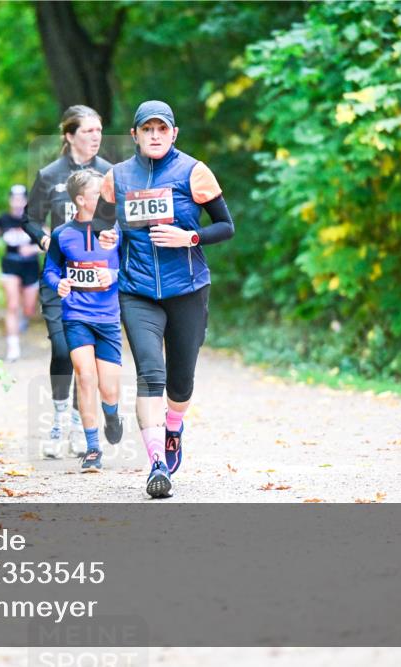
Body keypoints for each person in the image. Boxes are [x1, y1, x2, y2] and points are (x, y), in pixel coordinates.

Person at [97, 100, 235, 498]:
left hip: (187, 289)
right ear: (134, 135)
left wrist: (189, 237)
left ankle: (174, 427)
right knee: (150, 373)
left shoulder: (193, 171)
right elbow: (107, 227)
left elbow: (226, 226)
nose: (154, 135)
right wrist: (109, 237)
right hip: (136, 290)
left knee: (181, 381)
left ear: (173, 134)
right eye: (147, 129)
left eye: (162, 129)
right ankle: (157, 464)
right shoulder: (118, 177)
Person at [24, 105, 113, 458]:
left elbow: (117, 220)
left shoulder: (108, 173)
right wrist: (46, 240)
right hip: (60, 276)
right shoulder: (49, 174)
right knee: (63, 349)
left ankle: (79, 422)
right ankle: (60, 419)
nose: (96, 136)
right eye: (88, 131)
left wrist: (112, 242)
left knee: (85, 355)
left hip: (96, 281)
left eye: (99, 130)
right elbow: (29, 219)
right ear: (69, 135)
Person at [42, 169, 124, 471]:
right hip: (76, 316)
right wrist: (57, 284)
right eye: (97, 192)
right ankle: (92, 449)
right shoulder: (62, 235)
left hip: (108, 318)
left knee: (109, 389)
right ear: (80, 199)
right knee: (85, 377)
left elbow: (131, 268)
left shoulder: (115, 231)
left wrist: (112, 275)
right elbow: (50, 269)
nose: (104, 197)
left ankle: (112, 415)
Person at [0, 184, 40, 362]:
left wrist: (32, 249)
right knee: (12, 306)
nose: (17, 202)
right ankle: (13, 348)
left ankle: (23, 318)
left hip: (30, 267)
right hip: (10, 265)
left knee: (28, 308)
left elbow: (49, 242)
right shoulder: (3, 219)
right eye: (14, 199)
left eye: (21, 199)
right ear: (10, 200)